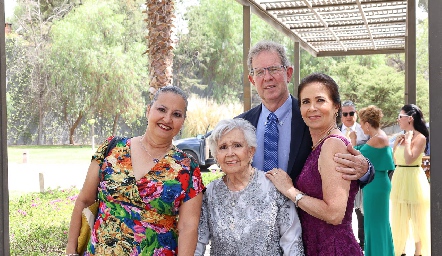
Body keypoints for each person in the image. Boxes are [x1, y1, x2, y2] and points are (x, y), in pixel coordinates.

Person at [66, 86, 205, 256]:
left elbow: (188, 228)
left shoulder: (188, 168)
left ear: (183, 121)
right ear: (148, 111)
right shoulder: (111, 149)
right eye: (161, 109)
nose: (167, 119)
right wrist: (71, 250)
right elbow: (84, 200)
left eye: (177, 114)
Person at [236, 40, 374, 191]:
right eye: (260, 72)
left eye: (274, 69)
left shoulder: (313, 116)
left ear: (288, 73)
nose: (267, 77)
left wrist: (365, 169)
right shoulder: (240, 125)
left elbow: (345, 160)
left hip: (303, 212)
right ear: (252, 80)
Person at [267, 73, 363, 255]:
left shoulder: (332, 144)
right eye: (305, 102)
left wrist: (291, 191)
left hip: (334, 248)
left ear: (336, 107)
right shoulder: (318, 144)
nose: (312, 108)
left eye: (320, 100)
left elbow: (334, 214)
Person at [195, 118, 304, 256]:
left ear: (251, 151)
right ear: (216, 155)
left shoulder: (274, 187)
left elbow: (292, 243)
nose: (230, 153)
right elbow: (198, 241)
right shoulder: (209, 193)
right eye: (223, 147)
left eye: (237, 145)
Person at [350, 105, 395, 256]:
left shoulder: (378, 139)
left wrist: (353, 140)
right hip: (376, 184)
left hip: (376, 185)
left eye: (362, 124)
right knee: (375, 223)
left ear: (367, 124)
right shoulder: (379, 137)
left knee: (375, 223)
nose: (361, 128)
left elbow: (358, 154)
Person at [391, 104, 430, 256]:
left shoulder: (420, 137)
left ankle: (418, 252)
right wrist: (396, 144)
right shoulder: (401, 137)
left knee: (416, 217)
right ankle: (399, 251)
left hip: (413, 178)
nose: (398, 120)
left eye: (400, 117)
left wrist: (407, 141)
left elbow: (409, 159)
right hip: (400, 176)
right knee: (399, 216)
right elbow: (395, 160)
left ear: (410, 118)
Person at [340, 99, 369, 250]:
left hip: (359, 179)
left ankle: (362, 244)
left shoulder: (365, 131)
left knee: (361, 212)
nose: (348, 116)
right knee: (344, 213)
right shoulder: (335, 130)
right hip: (340, 179)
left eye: (351, 113)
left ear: (356, 114)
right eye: (345, 114)